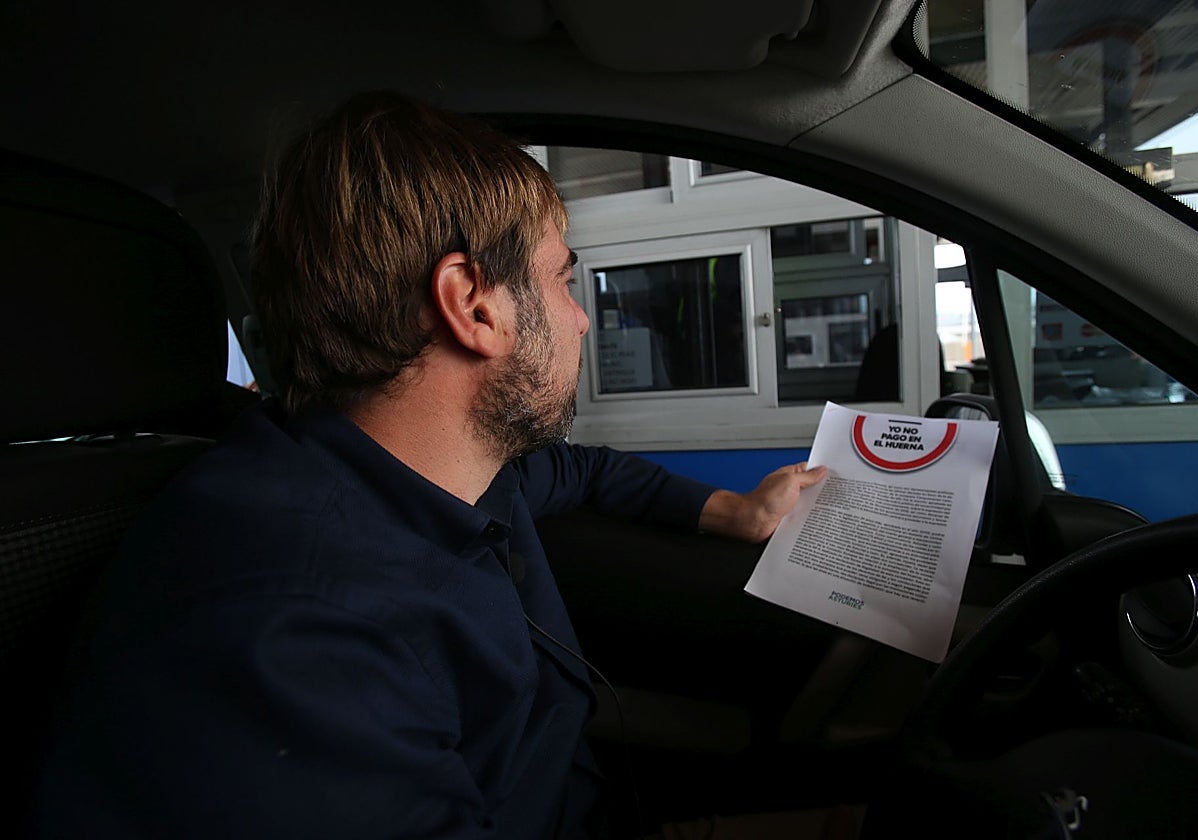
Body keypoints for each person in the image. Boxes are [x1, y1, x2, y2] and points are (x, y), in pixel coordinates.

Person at [35, 92, 827, 838]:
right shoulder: (289, 641)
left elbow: (583, 471)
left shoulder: (449, 466)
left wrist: (734, 511)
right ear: (473, 306)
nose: (583, 317)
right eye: (563, 279)